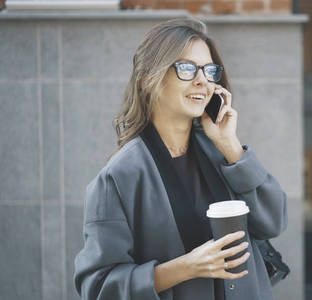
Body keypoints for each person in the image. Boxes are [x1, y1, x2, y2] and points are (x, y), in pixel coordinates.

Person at [73, 17, 287, 300]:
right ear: (150, 79)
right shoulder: (119, 177)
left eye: (209, 70)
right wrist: (187, 267)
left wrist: (230, 144)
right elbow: (98, 286)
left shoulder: (222, 153)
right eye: (186, 68)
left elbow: (274, 222)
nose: (202, 80)